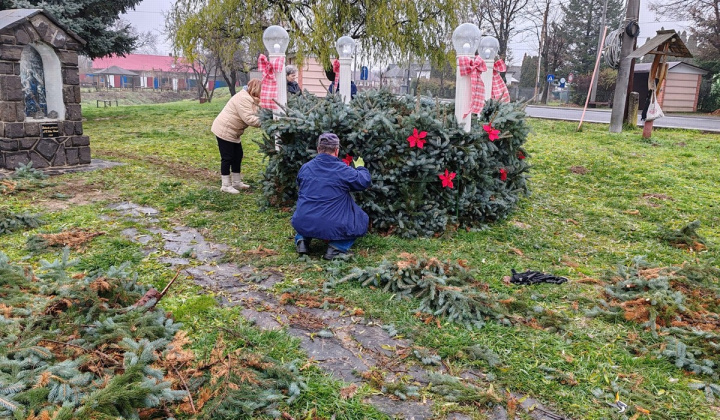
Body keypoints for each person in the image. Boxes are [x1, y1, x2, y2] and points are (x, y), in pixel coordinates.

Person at [292, 133, 371, 260]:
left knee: (308, 218)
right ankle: (336, 248)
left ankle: (302, 240)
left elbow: (299, 183)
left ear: (318, 149)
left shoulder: (305, 168)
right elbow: (363, 182)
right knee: (360, 220)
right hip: (330, 222)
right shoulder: (343, 170)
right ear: (337, 150)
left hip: (302, 220)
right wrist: (361, 168)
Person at [210, 79, 262, 194]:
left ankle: (236, 182)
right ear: (255, 90)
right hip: (225, 130)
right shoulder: (243, 98)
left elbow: (257, 110)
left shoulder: (250, 98)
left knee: (238, 156)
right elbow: (249, 119)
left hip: (234, 131)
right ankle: (225, 185)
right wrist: (267, 121)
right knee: (227, 158)